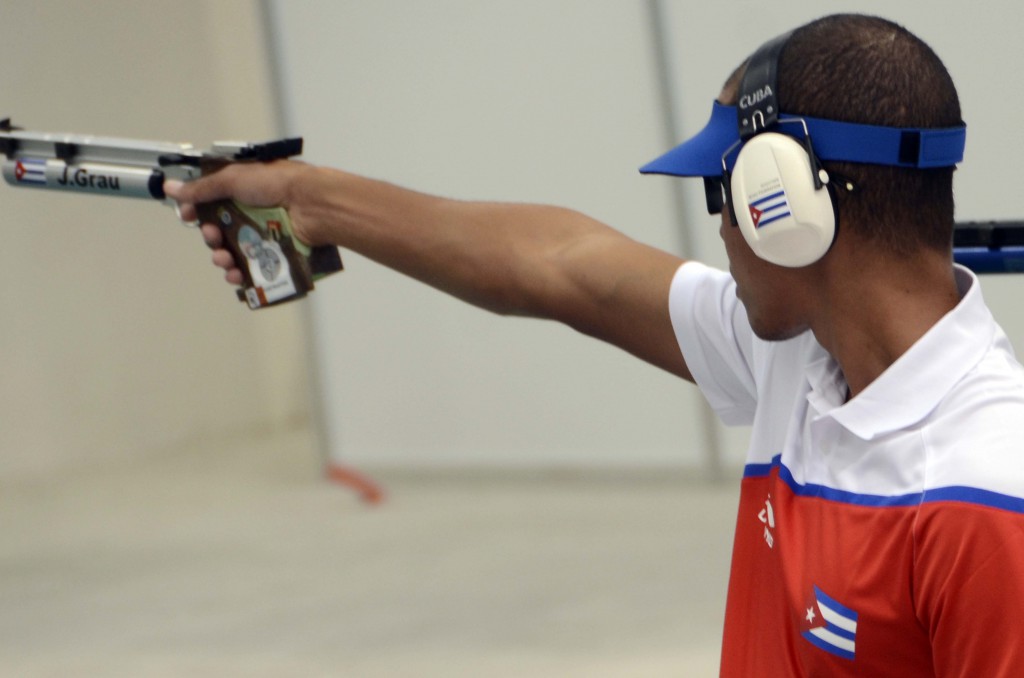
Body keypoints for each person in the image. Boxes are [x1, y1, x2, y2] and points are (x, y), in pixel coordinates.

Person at [166, 13, 1024, 677]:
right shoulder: (801, 355)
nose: (720, 226)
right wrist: (307, 199)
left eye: (722, 191)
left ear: (783, 201)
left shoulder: (987, 500)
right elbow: (559, 265)